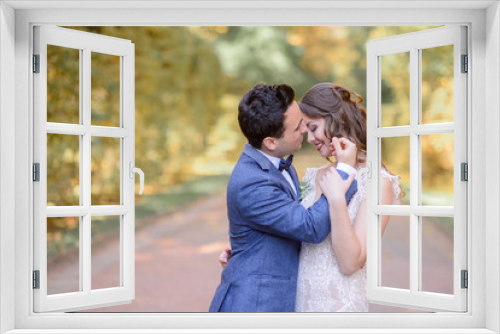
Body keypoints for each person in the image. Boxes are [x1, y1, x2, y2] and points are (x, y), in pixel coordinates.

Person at [220, 83, 402, 312]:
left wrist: (339, 191)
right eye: (301, 127)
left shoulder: (377, 182)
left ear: (338, 121)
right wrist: (247, 251)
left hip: (338, 306)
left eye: (312, 127)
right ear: (270, 142)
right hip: (297, 304)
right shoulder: (314, 176)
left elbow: (350, 263)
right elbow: (299, 226)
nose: (307, 136)